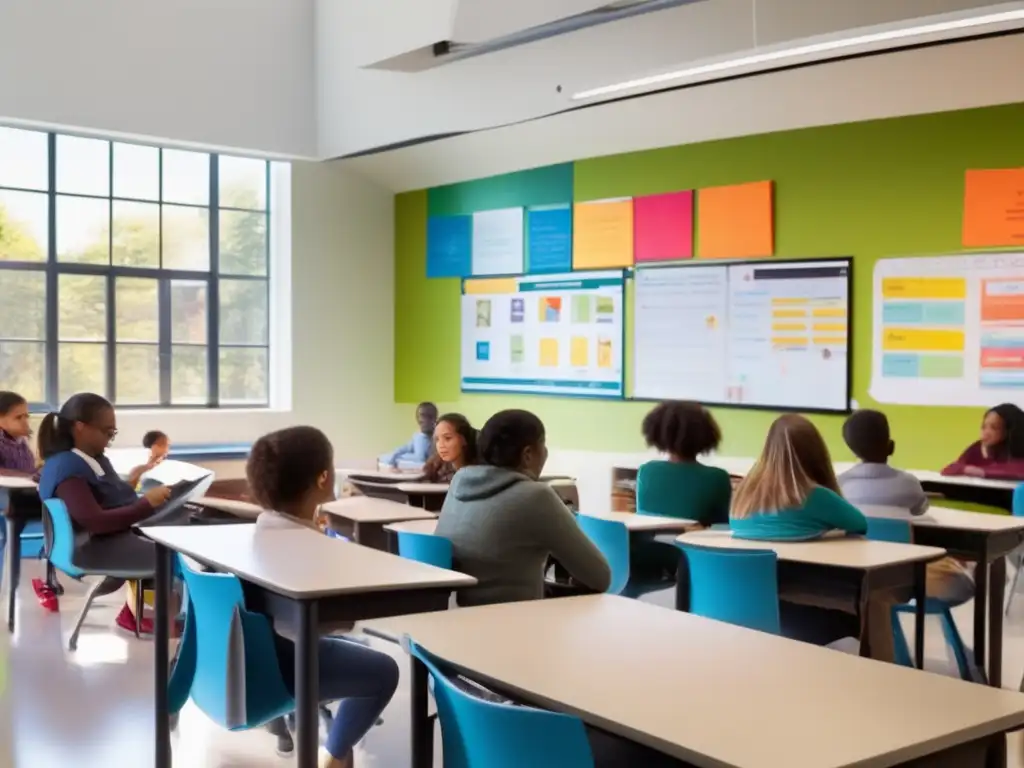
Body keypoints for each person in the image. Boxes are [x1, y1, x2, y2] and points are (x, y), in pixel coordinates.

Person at [248, 426, 400, 768]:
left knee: (363, 652)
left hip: (254, 657)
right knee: (384, 670)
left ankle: (336, 754)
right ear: (323, 478)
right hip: (289, 662)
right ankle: (332, 755)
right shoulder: (311, 546)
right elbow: (341, 620)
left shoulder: (260, 528)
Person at [728, 415, 896, 661]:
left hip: (744, 609)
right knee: (877, 598)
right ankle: (886, 677)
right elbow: (860, 525)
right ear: (816, 453)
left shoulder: (743, 496)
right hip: (815, 611)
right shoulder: (815, 496)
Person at [435, 409, 611, 606]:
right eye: (543, 446)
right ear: (527, 454)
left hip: (454, 620)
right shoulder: (536, 496)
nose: (545, 453)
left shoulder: (459, 481)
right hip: (515, 624)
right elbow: (600, 577)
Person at [36, 393, 172, 633]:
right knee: (175, 554)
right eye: (107, 433)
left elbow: (110, 500)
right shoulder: (68, 468)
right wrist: (145, 505)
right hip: (94, 548)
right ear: (80, 427)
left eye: (113, 434)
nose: (109, 440)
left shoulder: (92, 459)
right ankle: (160, 618)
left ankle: (136, 612)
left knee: (173, 532)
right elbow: (95, 521)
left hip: (109, 539)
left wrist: (144, 498)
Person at [839, 409, 974, 604]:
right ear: (891, 446)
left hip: (861, 580)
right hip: (911, 580)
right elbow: (920, 509)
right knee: (963, 577)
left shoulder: (842, 485)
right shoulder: (908, 483)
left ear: (852, 449)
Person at [0, 391, 60, 611]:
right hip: (7, 499)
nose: (26, 421)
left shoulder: (20, 441)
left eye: (27, 416)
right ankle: (10, 588)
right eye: (19, 417)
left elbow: (29, 470)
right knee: (10, 535)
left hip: (23, 498)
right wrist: (29, 476)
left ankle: (48, 578)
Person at [638, 401, 731, 525]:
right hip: (690, 544)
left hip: (649, 544)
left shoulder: (647, 471)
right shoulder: (718, 478)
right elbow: (721, 528)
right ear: (707, 434)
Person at [942, 403, 1024, 480]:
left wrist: (981, 472)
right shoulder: (978, 447)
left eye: (994, 428)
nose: (986, 432)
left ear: (1010, 430)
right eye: (983, 427)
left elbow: (1018, 470)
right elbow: (950, 469)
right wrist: (966, 469)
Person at [422, 413, 478, 484]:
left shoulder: (479, 472)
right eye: (437, 439)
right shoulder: (434, 469)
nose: (441, 445)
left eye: (447, 438)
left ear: (464, 439)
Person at [380, 402, 437, 468]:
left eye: (430, 417)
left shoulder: (438, 436)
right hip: (415, 463)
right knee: (391, 456)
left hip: (426, 463)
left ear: (435, 419)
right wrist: (394, 455)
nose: (426, 420)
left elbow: (422, 458)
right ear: (418, 419)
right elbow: (405, 448)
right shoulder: (417, 437)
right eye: (422, 416)